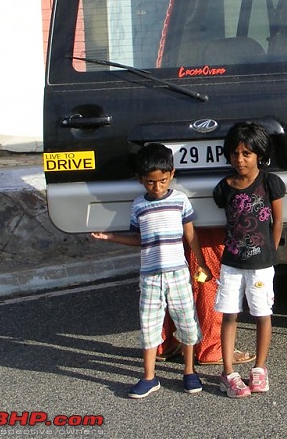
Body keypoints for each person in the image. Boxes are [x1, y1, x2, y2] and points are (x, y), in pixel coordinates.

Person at [90, 143, 212, 399]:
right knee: (149, 326)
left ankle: (189, 371)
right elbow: (141, 240)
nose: (156, 187)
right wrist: (111, 237)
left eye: (162, 181)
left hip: (178, 273)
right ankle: (149, 376)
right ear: (139, 180)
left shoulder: (180, 200)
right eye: (149, 182)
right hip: (149, 276)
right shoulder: (139, 206)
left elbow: (190, 234)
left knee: (187, 321)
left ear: (172, 174)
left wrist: (201, 262)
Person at [213, 121, 285, 398]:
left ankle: (259, 368)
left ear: (259, 155)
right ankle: (228, 372)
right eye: (235, 153)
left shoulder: (270, 183)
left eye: (246, 153)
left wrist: (271, 250)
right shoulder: (224, 187)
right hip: (231, 264)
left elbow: (278, 221)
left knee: (262, 314)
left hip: (261, 266)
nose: (240, 159)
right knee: (229, 314)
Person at [155, 229, 255, 366]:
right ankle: (212, 348)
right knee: (209, 278)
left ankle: (163, 343)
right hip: (207, 224)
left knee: (173, 274)